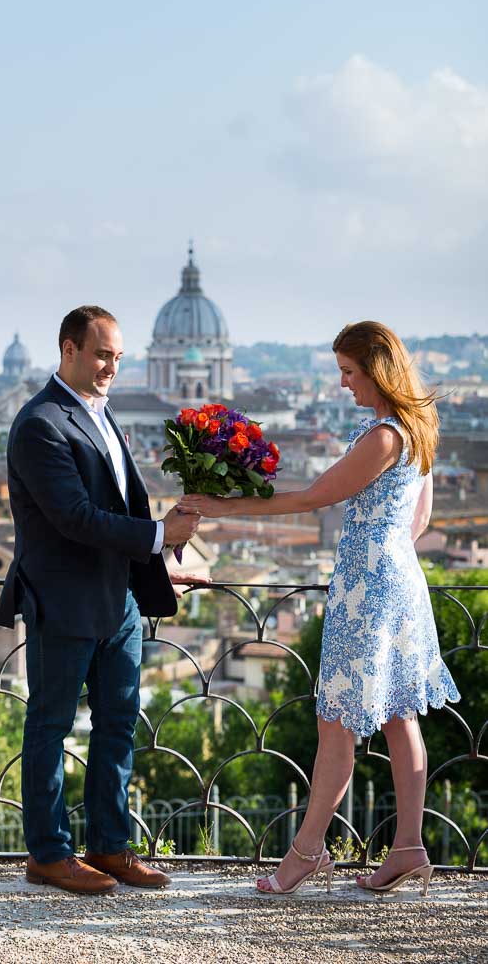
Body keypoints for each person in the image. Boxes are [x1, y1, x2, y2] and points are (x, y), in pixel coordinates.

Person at [180, 321, 460, 896]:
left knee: (336, 723)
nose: (342, 384)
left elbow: (313, 499)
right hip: (397, 578)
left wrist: (219, 505)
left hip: (367, 588)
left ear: (378, 369)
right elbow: (421, 519)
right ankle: (407, 847)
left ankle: (306, 853)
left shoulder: (383, 436)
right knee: (398, 716)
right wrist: (385, 547)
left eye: (349, 372)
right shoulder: (419, 425)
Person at [0, 305, 203, 895]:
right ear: (68, 351)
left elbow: (117, 506)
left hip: (120, 602)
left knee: (118, 726)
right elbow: (75, 517)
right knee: (51, 726)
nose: (112, 365)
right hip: (64, 601)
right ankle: (49, 854)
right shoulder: (41, 423)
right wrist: (160, 536)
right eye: (101, 354)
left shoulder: (101, 415)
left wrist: (158, 559)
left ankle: (110, 847)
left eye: (117, 355)